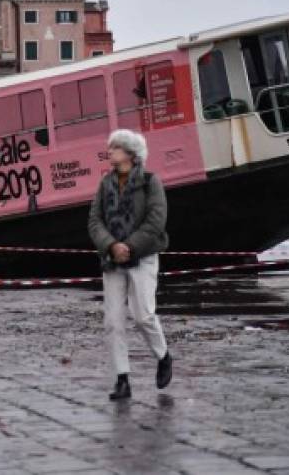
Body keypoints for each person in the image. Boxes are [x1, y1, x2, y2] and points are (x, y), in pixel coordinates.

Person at [88, 129, 172, 400]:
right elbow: (94, 220)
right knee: (113, 321)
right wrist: (111, 246)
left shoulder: (150, 182)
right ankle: (122, 379)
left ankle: (163, 356)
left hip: (143, 256)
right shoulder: (104, 184)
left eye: (114, 148)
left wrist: (131, 246)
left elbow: (156, 220)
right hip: (112, 260)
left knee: (143, 315)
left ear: (130, 154)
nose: (109, 151)